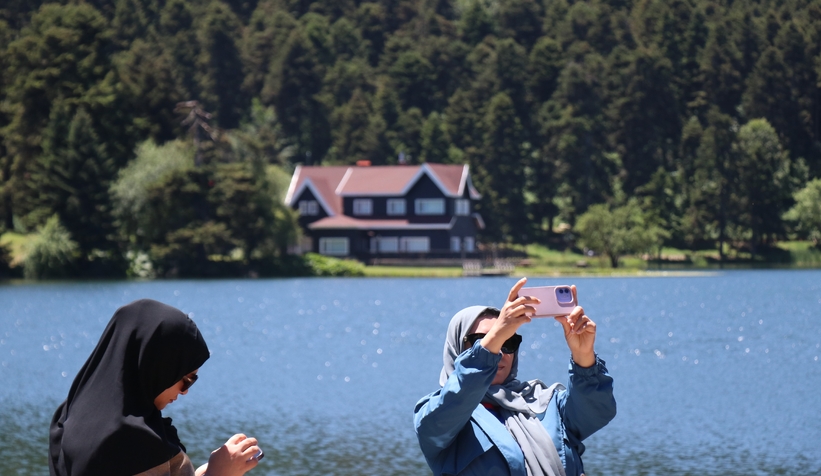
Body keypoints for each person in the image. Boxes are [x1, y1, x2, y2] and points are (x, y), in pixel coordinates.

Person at [414, 278, 616, 476]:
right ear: (457, 348)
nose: (500, 352)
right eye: (481, 340)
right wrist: (493, 340)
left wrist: (584, 356)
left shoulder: (544, 404)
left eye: (508, 341)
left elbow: (596, 411)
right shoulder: (437, 415)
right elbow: (453, 401)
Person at [49, 299, 263, 476]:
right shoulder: (131, 441)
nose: (185, 391)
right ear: (159, 367)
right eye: (187, 379)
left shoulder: (70, 414)